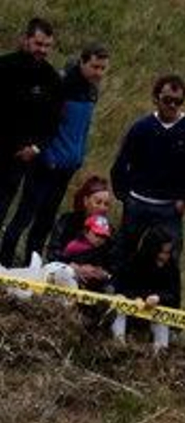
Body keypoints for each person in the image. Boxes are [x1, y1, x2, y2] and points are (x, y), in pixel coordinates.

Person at [2, 40, 107, 267]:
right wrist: (45, 153)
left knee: (45, 220)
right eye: (95, 67)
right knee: (25, 216)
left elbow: (82, 129)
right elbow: (44, 124)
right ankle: (4, 262)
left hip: (67, 166)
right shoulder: (61, 84)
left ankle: (31, 266)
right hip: (46, 163)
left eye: (102, 68)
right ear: (82, 62)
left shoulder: (91, 91)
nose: (99, 73)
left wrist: (78, 157)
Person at [109, 73, 185, 269]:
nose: (172, 105)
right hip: (137, 203)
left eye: (178, 101)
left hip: (170, 208)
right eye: (167, 100)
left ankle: (160, 297)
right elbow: (121, 163)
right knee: (123, 253)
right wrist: (124, 196)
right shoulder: (141, 127)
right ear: (156, 99)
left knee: (167, 259)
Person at [0, 18, 61, 253]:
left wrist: (35, 147)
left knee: (5, 207)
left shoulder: (51, 79)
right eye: (38, 44)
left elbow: (53, 122)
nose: (42, 50)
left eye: (47, 46)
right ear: (25, 39)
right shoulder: (4, 67)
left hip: (24, 158)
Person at [111, 226, 179, 349]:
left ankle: (160, 353)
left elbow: (174, 295)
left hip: (156, 310)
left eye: (168, 252)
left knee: (162, 316)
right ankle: (118, 346)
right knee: (119, 306)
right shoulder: (134, 262)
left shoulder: (171, 267)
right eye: (162, 252)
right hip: (131, 307)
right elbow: (121, 287)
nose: (165, 257)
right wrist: (134, 298)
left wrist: (159, 298)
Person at [43, 174, 114, 289]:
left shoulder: (109, 230)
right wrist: (73, 267)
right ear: (86, 201)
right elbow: (52, 253)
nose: (102, 208)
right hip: (64, 273)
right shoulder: (67, 221)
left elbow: (112, 262)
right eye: (98, 202)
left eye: (106, 204)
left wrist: (100, 272)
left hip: (92, 282)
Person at [58, 212, 115, 291]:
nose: (100, 239)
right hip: (72, 280)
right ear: (86, 231)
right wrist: (76, 268)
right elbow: (61, 261)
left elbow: (109, 269)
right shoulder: (74, 246)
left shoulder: (105, 250)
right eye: (97, 235)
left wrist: (103, 274)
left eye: (103, 237)